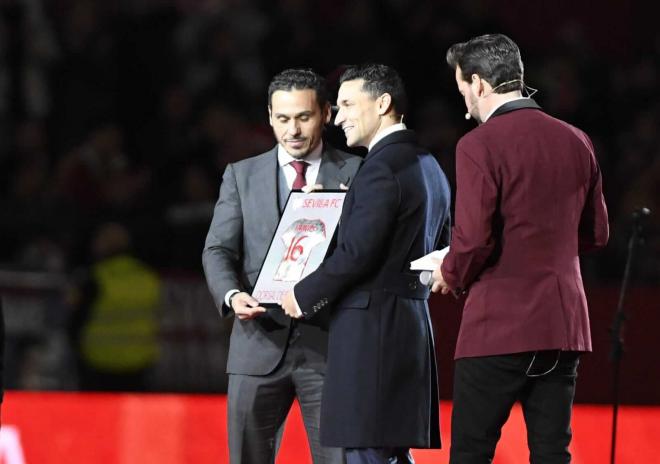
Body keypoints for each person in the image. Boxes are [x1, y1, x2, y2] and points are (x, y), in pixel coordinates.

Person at [431, 34, 609, 463]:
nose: (464, 104)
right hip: (563, 328)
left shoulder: (477, 144)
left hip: (499, 325)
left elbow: (473, 239)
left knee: (472, 453)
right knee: (552, 453)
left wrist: (448, 272)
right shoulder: (577, 139)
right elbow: (597, 234)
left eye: (462, 91)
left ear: (478, 83)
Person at [281, 64, 451, 464]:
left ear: (383, 103)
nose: (337, 119)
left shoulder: (380, 168)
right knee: (390, 451)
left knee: (366, 451)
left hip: (372, 332)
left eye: (346, 105)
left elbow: (357, 254)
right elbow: (439, 245)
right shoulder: (429, 164)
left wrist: (302, 295)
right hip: (410, 325)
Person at [203, 68, 361, 464]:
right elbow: (218, 250)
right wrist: (232, 294)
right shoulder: (241, 176)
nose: (292, 129)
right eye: (283, 118)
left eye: (303, 117)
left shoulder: (357, 173)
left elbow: (364, 252)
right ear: (270, 116)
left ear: (326, 113)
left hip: (328, 346)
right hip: (256, 344)